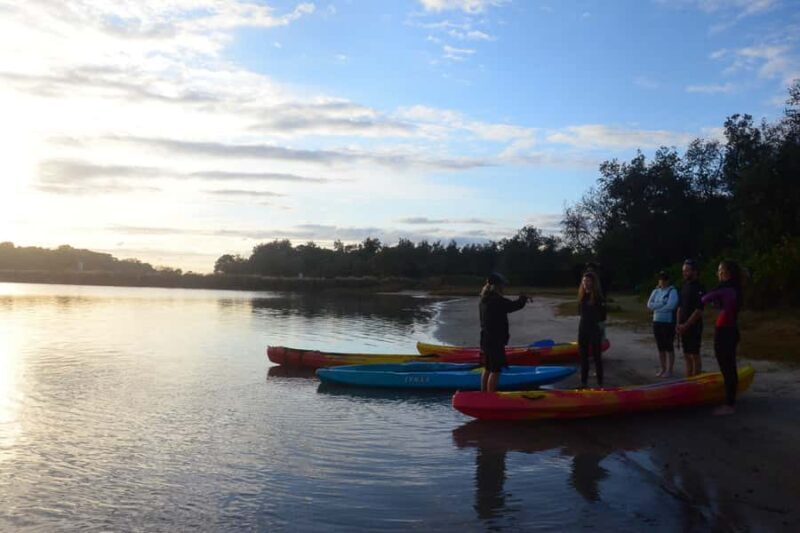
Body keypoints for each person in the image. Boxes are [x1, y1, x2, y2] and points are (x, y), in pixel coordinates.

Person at [701, 260, 743, 416]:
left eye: (720, 271)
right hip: (728, 330)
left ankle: (730, 404)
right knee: (728, 366)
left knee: (728, 367)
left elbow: (704, 298)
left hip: (726, 332)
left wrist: (711, 297)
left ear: (726, 273)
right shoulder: (732, 289)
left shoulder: (727, 289)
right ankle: (730, 400)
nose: (717, 273)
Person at [479, 272, 528, 393]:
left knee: (488, 368)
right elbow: (513, 306)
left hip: (486, 339)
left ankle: (483, 395)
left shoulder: (484, 300)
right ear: (497, 286)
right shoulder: (496, 300)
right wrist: (523, 298)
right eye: (502, 285)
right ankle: (491, 398)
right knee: (495, 370)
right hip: (495, 340)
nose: (504, 287)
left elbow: (509, 306)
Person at [676, 259, 705, 377]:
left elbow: (699, 310)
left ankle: (697, 381)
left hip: (694, 326)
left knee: (694, 354)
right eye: (683, 271)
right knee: (686, 355)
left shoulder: (700, 287)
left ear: (695, 271)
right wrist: (678, 325)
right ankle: (688, 379)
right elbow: (680, 307)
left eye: (687, 270)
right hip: (682, 327)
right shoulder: (684, 287)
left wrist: (686, 325)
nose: (684, 273)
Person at [647, 271, 679, 377]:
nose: (662, 281)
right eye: (660, 279)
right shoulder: (655, 291)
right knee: (660, 346)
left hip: (667, 322)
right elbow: (649, 305)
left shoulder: (672, 291)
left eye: (664, 279)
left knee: (668, 346)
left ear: (668, 280)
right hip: (657, 321)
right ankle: (663, 368)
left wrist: (658, 308)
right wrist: (661, 304)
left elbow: (671, 306)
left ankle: (670, 369)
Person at [578, 271, 606, 388]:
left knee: (597, 358)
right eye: (584, 281)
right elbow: (580, 313)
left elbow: (603, 316)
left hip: (594, 329)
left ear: (593, 282)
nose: (585, 283)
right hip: (583, 329)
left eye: (588, 281)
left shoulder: (598, 297)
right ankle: (583, 383)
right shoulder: (582, 295)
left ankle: (600, 384)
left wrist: (602, 333)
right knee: (583, 358)